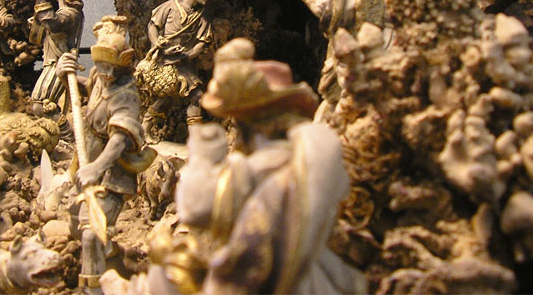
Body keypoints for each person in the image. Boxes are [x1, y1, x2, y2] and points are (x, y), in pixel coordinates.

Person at [111, 39, 364, 295]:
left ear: (247, 123)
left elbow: (195, 207)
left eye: (235, 120)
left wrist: (203, 158)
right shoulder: (311, 157)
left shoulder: (253, 170)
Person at [56, 16, 151, 292]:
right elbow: (88, 93)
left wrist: (96, 168)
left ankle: (93, 287)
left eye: (113, 68)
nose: (106, 74)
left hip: (111, 173)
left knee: (92, 234)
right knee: (77, 220)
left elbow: (119, 140)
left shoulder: (125, 93)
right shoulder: (99, 75)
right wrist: (65, 75)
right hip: (88, 158)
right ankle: (112, 262)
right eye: (101, 66)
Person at [139, 0, 213, 136]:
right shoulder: (171, 6)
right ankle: (145, 127)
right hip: (164, 61)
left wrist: (186, 55)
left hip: (184, 63)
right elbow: (153, 26)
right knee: (168, 98)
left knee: (194, 96)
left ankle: (195, 138)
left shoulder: (201, 17)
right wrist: (157, 42)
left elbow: (201, 44)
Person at [28, 0, 99, 116]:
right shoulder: (69, 12)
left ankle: (64, 129)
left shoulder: (68, 14)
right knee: (42, 105)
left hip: (58, 64)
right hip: (54, 63)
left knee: (41, 105)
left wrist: (41, 0)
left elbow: (53, 24)